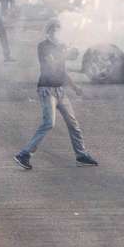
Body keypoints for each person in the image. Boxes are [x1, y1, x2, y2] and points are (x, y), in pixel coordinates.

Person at [14, 19, 98, 170]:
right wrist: (66, 54)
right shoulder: (43, 47)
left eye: (59, 31)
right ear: (48, 32)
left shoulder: (61, 46)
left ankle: (81, 155)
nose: (57, 34)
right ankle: (24, 154)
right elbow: (50, 65)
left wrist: (75, 87)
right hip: (47, 90)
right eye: (54, 31)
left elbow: (62, 71)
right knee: (49, 123)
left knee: (73, 124)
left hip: (60, 90)